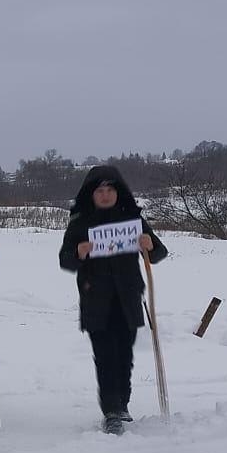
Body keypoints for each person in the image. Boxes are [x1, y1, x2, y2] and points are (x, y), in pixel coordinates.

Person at [58, 164, 169, 435]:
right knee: (105, 355)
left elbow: (158, 252)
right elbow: (65, 260)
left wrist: (149, 245)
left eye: (110, 190)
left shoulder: (132, 220)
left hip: (128, 297)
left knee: (124, 355)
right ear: (90, 194)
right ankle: (111, 410)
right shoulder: (81, 223)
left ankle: (123, 404)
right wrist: (79, 253)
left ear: (119, 192)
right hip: (95, 299)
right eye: (100, 191)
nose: (105, 195)